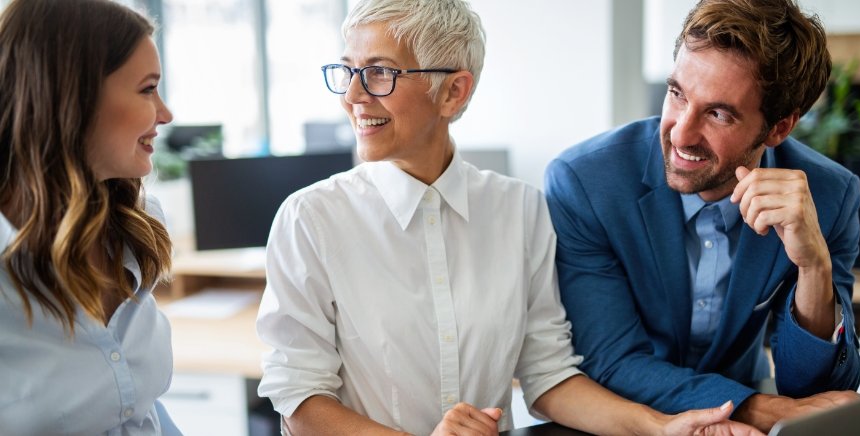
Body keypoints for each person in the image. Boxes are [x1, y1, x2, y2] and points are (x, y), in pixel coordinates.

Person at [256, 0, 761, 435]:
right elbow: (299, 402)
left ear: (453, 92)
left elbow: (549, 376)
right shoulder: (311, 219)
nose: (352, 95)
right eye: (348, 71)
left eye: (380, 73)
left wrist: (659, 426)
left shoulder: (519, 209)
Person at [545, 0, 860, 433]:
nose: (680, 132)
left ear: (778, 128)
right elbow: (611, 359)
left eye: (718, 113)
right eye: (677, 93)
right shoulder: (586, 183)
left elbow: (818, 393)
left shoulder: (829, 196)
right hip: (612, 424)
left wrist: (814, 266)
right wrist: (756, 408)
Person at [0, 0, 179, 434]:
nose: (166, 114)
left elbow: (140, 411)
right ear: (73, 97)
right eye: (147, 88)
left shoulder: (137, 227)